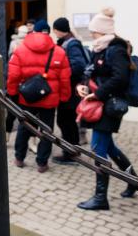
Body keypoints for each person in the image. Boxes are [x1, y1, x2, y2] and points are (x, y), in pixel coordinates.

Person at [76, 7, 136, 210]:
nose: (91, 34)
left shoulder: (115, 49)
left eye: (94, 31)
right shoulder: (100, 48)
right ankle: (133, 180)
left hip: (110, 106)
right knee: (109, 147)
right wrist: (84, 86)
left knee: (98, 149)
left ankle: (101, 198)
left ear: (101, 31)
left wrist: (98, 93)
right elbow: (93, 73)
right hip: (101, 103)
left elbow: (121, 78)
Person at [7, 20, 71, 173]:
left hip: (27, 97)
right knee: (46, 130)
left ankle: (19, 158)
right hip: (50, 99)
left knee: (24, 127)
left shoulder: (20, 49)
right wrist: (63, 97)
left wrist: (13, 93)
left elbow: (13, 75)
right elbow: (65, 78)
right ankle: (42, 163)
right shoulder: (59, 51)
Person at [51, 17, 89, 164]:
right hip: (68, 89)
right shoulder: (67, 42)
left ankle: (71, 154)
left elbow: (78, 66)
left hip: (71, 90)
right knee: (66, 120)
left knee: (66, 120)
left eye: (55, 29)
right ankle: (72, 151)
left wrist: (63, 75)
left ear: (58, 29)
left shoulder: (71, 44)